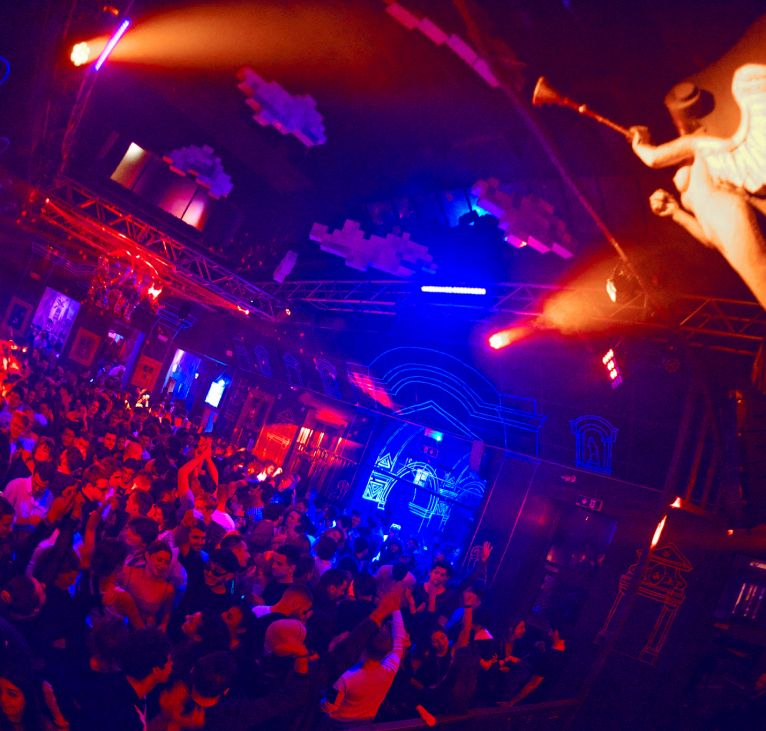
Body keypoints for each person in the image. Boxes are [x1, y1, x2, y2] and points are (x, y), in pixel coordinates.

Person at [631, 65, 766, 310]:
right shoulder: (693, 162)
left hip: (728, 213)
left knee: (761, 277)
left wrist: (640, 142)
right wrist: (676, 213)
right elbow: (710, 239)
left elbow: (653, 159)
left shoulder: (698, 142)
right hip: (723, 223)